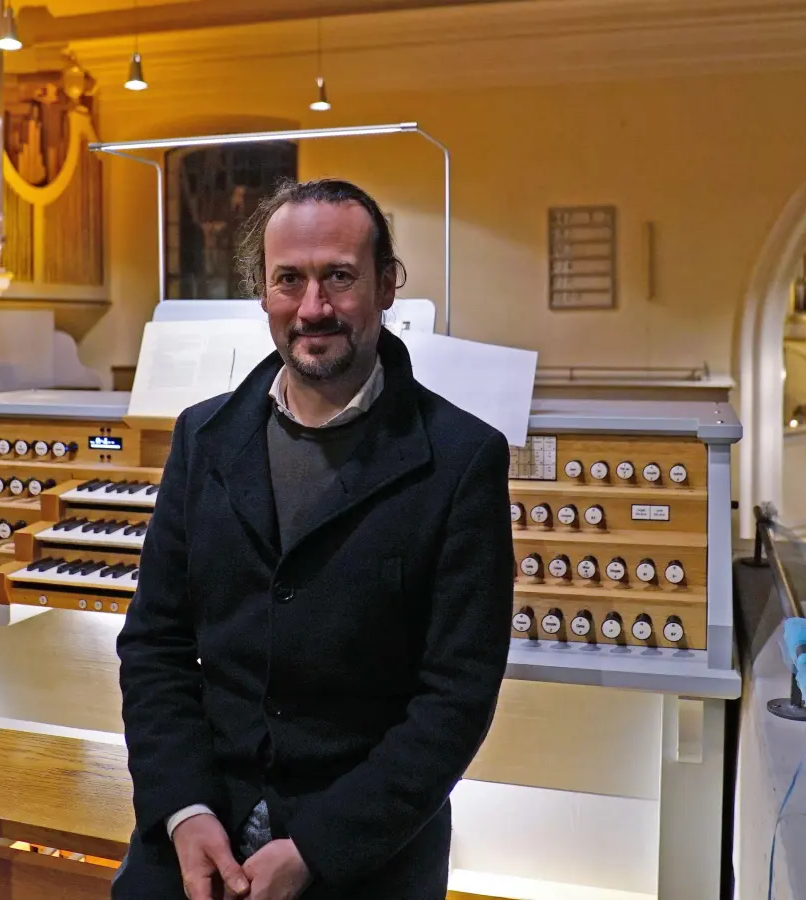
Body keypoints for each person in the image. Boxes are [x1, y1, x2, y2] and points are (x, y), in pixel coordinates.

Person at [113, 178, 515, 900]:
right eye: (288, 281)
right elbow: (156, 646)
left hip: (364, 843)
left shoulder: (461, 460)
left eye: (339, 278)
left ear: (387, 286)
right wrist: (185, 809)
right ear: (263, 294)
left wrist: (319, 849)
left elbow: (455, 699)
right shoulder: (203, 437)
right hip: (206, 810)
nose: (312, 308)